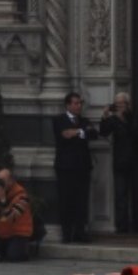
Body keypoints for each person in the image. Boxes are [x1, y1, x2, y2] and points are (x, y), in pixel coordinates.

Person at [53, 92, 94, 243]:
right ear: (68, 105)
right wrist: (82, 131)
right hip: (65, 167)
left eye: (80, 103)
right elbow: (65, 135)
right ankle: (66, 233)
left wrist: (77, 132)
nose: (78, 106)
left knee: (81, 201)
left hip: (83, 166)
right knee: (66, 201)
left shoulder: (84, 120)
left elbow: (93, 134)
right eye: (75, 103)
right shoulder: (59, 120)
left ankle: (80, 232)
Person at [100, 92, 138, 232]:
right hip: (120, 162)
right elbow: (103, 132)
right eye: (117, 104)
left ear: (128, 104)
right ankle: (122, 226)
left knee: (137, 195)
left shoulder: (135, 117)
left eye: (122, 103)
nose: (120, 106)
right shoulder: (113, 119)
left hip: (135, 162)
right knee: (120, 195)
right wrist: (105, 116)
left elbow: (137, 134)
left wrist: (124, 118)